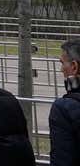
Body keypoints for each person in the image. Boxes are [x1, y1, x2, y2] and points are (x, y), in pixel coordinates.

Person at [49, 38, 80, 166]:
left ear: (74, 66)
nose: (61, 69)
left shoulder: (63, 108)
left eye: (62, 63)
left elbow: (62, 159)